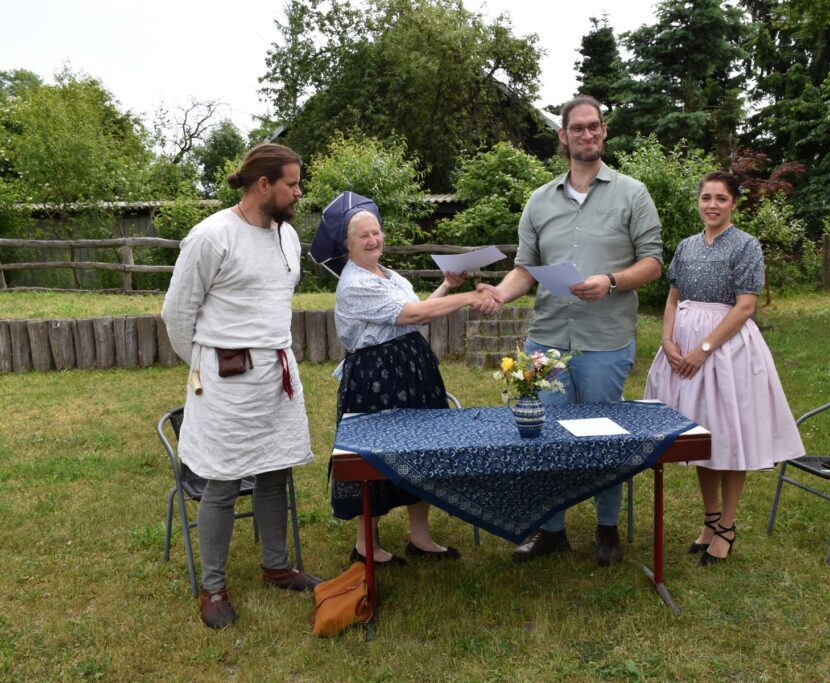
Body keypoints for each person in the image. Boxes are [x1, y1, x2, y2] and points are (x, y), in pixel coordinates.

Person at [478, 95, 664, 566]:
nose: (586, 134)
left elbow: (654, 263)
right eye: (577, 128)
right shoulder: (540, 201)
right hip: (548, 342)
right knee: (545, 437)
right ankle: (551, 529)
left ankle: (606, 528)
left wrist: (613, 281)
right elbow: (525, 268)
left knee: (605, 437)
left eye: (594, 127)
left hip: (605, 339)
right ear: (562, 136)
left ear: (604, 132)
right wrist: (501, 293)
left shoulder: (632, 193)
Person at [161, 143, 321, 629]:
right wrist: (206, 365)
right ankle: (213, 588)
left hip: (277, 375)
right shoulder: (212, 236)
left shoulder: (288, 236)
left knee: (275, 471)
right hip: (226, 380)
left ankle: (276, 566)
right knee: (223, 480)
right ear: (263, 185)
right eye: (291, 184)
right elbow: (177, 313)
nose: (298, 192)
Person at [311, 191, 500, 566]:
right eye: (363, 235)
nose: (373, 239)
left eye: (376, 232)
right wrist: (465, 299)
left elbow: (418, 310)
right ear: (347, 245)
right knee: (376, 456)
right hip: (376, 378)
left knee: (422, 449)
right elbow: (412, 315)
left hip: (412, 369)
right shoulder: (355, 284)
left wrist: (447, 285)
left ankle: (421, 537)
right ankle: (366, 545)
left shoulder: (388, 273)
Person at [644, 171, 805, 565]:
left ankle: (727, 527)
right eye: (705, 197)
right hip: (682, 350)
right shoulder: (685, 246)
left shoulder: (746, 245)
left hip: (727, 351)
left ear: (733, 203)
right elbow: (671, 299)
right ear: (698, 201)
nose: (712, 205)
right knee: (702, 437)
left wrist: (704, 347)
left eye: (720, 198)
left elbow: (746, 306)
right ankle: (710, 520)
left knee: (730, 436)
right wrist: (668, 341)